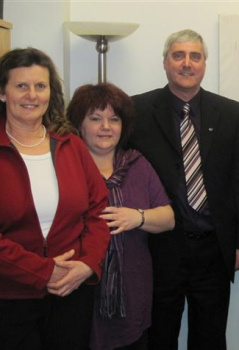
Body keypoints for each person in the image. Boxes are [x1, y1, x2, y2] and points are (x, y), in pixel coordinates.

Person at [128, 29, 239, 349]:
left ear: (204, 63)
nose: (187, 63)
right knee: (159, 335)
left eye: (195, 56)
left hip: (213, 247)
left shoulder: (228, 111)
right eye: (178, 55)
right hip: (159, 247)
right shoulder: (137, 110)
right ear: (165, 63)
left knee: (210, 338)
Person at [0, 48, 110, 350]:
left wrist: (88, 264)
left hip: (71, 291)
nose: (32, 95)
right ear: (3, 93)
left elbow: (98, 211)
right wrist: (43, 271)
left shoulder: (70, 145)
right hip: (10, 297)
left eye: (40, 86)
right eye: (21, 85)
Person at [66, 83, 175, 350]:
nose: (105, 127)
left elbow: (169, 217)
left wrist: (136, 217)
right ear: (80, 125)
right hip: (80, 291)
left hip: (132, 290)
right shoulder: (66, 165)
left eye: (113, 119)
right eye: (95, 118)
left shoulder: (137, 164)